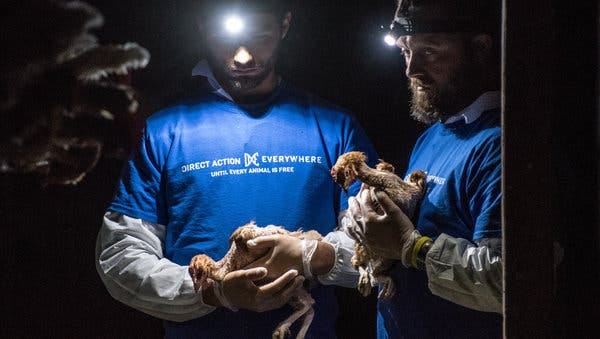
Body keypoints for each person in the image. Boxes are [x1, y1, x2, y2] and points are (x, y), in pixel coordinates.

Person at [94, 0, 377, 338]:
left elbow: (381, 244)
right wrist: (214, 291)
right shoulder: (164, 132)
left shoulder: (335, 128)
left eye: (260, 34)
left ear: (285, 24)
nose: (243, 56)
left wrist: (313, 255)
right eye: (225, 36)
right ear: (202, 26)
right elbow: (120, 255)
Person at [347, 0, 504, 338]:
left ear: (480, 48)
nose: (411, 69)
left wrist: (413, 247)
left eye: (430, 52)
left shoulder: (501, 147)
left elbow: (508, 279)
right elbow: (404, 237)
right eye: (406, 52)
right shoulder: (434, 136)